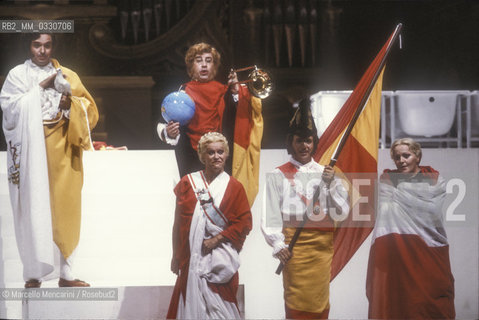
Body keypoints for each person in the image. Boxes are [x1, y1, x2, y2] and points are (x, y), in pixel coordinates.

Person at [0, 33, 98, 288]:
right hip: (32, 147)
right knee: (34, 207)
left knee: (65, 208)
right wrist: (41, 87)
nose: (42, 51)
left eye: (47, 45)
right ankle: (34, 273)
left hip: (63, 147)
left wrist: (69, 105)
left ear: (54, 46)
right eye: (36, 45)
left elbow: (90, 109)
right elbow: (9, 109)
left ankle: (66, 274)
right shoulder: (17, 75)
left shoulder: (68, 75)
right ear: (29, 46)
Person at [261, 99, 349, 319]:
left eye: (308, 141)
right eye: (299, 141)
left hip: (321, 250)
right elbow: (270, 213)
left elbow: (343, 211)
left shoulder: (327, 173)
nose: (304, 146)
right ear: (291, 142)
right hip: (294, 248)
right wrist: (278, 243)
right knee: (296, 302)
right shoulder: (278, 174)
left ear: (314, 143)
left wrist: (328, 186)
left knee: (319, 303)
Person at [366, 138, 455, 319]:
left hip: (429, 249)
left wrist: (402, 193)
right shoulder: (387, 181)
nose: (401, 161)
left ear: (417, 156)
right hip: (398, 252)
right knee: (400, 302)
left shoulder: (436, 181)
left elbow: (432, 211)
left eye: (406, 155)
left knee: (430, 304)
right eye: (397, 157)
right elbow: (385, 210)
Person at [167, 132, 253, 319]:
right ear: (202, 156)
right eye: (211, 152)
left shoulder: (234, 187)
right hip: (190, 258)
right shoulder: (188, 183)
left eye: (220, 152)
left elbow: (244, 223)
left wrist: (217, 239)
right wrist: (175, 255)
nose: (217, 157)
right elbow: (178, 223)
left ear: (227, 154)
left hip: (218, 260)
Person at [157, 42, 261, 179]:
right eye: (198, 61)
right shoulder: (181, 93)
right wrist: (169, 133)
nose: (204, 65)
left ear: (215, 66)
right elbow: (162, 124)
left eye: (209, 60)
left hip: (222, 159)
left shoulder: (226, 91)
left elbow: (242, 119)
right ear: (191, 66)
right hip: (190, 157)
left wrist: (237, 91)